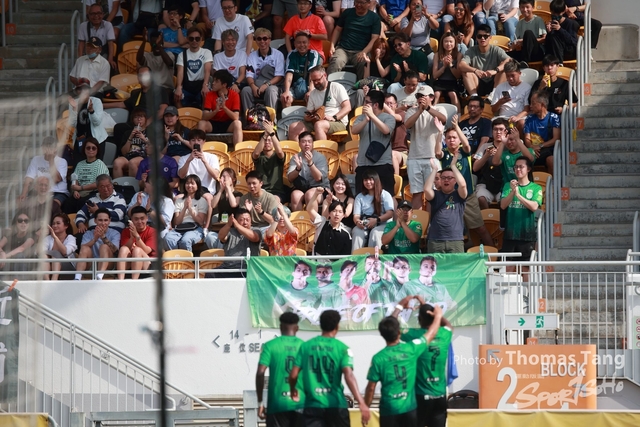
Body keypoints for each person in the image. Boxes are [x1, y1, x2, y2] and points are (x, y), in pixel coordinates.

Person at [365, 301, 444, 427]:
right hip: (409, 408)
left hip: (389, 410)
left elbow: (371, 388)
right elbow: (431, 333)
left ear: (382, 334)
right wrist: (438, 316)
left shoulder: (378, 358)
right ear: (399, 333)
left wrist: (365, 407)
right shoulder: (411, 349)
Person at [289, 309, 371, 427]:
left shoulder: (305, 346)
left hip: (313, 406)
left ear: (321, 325)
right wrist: (361, 402)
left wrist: (293, 389)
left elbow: (293, 375)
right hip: (336, 405)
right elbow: (349, 375)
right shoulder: (342, 348)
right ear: (337, 326)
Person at [398, 301, 453, 427]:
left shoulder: (415, 335)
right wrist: (436, 314)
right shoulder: (445, 334)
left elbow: (393, 327)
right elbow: (448, 325)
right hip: (439, 396)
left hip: (420, 395)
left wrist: (399, 307)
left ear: (419, 319)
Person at [256, 313, 304, 427]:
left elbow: (260, 373)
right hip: (301, 403)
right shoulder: (305, 346)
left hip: (277, 404)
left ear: (281, 327)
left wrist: (260, 402)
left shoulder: (270, 346)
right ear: (297, 328)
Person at [404, 85, 447, 209]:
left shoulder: (439, 108)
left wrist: (427, 108)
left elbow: (443, 119)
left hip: (432, 157)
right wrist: (420, 110)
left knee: (431, 193)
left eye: (423, 96)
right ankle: (417, 220)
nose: (420, 99)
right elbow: (407, 125)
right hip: (414, 157)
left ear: (432, 97)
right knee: (416, 193)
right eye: (418, 96)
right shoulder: (412, 111)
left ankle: (431, 220)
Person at [500, 157, 542, 270]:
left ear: (528, 169)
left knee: (526, 270)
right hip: (510, 234)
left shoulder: (535, 187)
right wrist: (513, 192)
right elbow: (503, 205)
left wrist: (518, 195)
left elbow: (534, 207)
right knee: (507, 269)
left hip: (527, 234)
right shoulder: (508, 186)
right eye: (516, 167)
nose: (518, 169)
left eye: (521, 167)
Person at [287, 66, 350, 141]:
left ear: (325, 75)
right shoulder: (313, 93)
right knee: (293, 127)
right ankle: (299, 149)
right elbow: (309, 112)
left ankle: (321, 148)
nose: (316, 83)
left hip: (337, 121)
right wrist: (307, 117)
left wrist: (334, 117)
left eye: (318, 80)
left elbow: (347, 107)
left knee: (319, 125)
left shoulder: (336, 87)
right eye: (313, 81)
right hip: (317, 121)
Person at [352, 90, 396, 195]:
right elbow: (354, 130)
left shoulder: (388, 118)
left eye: (367, 102)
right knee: (361, 195)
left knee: (387, 195)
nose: (364, 104)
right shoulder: (361, 118)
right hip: (363, 164)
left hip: (383, 164)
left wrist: (373, 117)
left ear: (375, 105)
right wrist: (366, 120)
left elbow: (386, 130)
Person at [327, 0, 381, 80]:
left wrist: (364, 52)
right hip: (343, 49)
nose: (358, 5)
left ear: (368, 3)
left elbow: (375, 38)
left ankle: (362, 86)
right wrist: (332, 45)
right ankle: (329, 85)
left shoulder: (374, 18)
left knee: (364, 63)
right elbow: (337, 29)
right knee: (336, 61)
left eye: (362, 3)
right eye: (356, 2)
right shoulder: (347, 13)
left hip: (361, 50)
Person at [424, 159, 467, 253]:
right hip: (435, 240)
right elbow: (427, 189)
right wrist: (434, 170)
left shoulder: (459, 195)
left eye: (449, 178)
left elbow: (463, 185)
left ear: (455, 180)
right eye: (443, 178)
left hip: (455, 240)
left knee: (457, 263)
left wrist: (453, 166)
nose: (446, 180)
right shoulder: (435, 195)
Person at [241, 27, 285, 116]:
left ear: (270, 40)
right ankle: (250, 119)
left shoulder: (278, 54)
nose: (262, 41)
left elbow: (279, 76)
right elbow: (249, 75)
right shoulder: (252, 56)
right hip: (257, 84)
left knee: (271, 90)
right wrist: (253, 86)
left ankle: (271, 119)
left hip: (274, 85)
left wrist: (266, 85)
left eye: (265, 38)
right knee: (245, 90)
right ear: (256, 41)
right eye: (259, 39)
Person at [458, 24, 510, 96]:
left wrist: (495, 71)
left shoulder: (496, 49)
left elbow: (509, 60)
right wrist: (475, 70)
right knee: (466, 72)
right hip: (477, 83)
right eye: (479, 36)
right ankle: (474, 97)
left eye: (485, 36)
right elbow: (461, 65)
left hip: (494, 82)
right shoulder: (471, 50)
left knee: (503, 70)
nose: (482, 38)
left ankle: (494, 95)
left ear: (490, 37)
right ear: (476, 38)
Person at [177, 129, 220, 217]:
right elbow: (181, 175)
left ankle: (207, 224)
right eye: (193, 140)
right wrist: (189, 161)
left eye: (199, 140)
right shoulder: (183, 158)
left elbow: (216, 176)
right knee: (176, 198)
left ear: (204, 142)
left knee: (208, 198)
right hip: (189, 190)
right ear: (189, 142)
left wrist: (204, 161)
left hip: (207, 190)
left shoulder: (212, 157)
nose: (196, 142)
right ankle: (177, 223)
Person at [19, 136, 68, 210]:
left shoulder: (62, 161)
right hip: (40, 191)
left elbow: (56, 179)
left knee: (52, 206)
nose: (48, 149)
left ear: (55, 148)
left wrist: (51, 159)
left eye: (51, 147)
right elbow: (29, 178)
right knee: (27, 204)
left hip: (57, 192)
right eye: (46, 146)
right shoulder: (36, 159)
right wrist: (23, 194)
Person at [197, 69, 243, 146]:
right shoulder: (209, 94)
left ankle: (238, 150)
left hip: (227, 123)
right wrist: (215, 111)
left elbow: (236, 117)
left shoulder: (234, 95)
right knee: (201, 123)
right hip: (213, 123)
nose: (213, 83)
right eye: (213, 80)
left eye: (216, 81)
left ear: (224, 84)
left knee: (238, 123)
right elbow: (204, 116)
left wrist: (224, 107)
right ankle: (199, 149)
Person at [352, 170, 395, 251]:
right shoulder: (359, 197)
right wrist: (358, 222)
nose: (368, 182)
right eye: (365, 180)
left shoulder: (385, 194)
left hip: (383, 223)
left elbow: (390, 213)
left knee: (375, 233)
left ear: (376, 180)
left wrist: (376, 220)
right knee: (357, 232)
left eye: (371, 179)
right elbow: (356, 215)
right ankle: (355, 257)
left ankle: (374, 257)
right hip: (366, 223)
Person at [164, 174, 209, 252]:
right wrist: (185, 207)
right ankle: (176, 257)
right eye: (187, 183)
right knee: (168, 238)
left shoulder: (202, 200)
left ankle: (187, 259)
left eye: (192, 183)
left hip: (195, 228)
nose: (189, 185)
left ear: (198, 186)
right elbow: (177, 222)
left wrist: (190, 209)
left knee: (185, 240)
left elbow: (201, 222)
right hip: (180, 227)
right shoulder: (179, 200)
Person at [64, 138, 110, 214]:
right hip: (79, 192)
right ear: (84, 150)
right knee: (67, 203)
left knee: (82, 203)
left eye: (93, 148)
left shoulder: (100, 164)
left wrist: (81, 188)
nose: (90, 150)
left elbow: (99, 184)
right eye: (88, 148)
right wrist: (75, 191)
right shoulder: (80, 164)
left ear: (97, 150)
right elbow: (75, 179)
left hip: (93, 192)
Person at [287, 132, 330, 211]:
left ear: (313, 143)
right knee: (295, 195)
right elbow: (290, 178)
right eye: (303, 141)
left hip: (319, 188)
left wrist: (310, 163)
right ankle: (299, 218)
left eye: (309, 141)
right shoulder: (295, 157)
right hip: (301, 187)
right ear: (299, 144)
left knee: (310, 194)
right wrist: (298, 168)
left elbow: (318, 178)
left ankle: (313, 219)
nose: (307, 144)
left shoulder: (320, 157)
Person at [67, 82, 108, 164]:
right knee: (78, 166)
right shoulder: (74, 103)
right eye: (80, 90)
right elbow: (72, 123)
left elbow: (97, 122)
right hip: (80, 139)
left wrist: (91, 111)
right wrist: (74, 109)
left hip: (96, 139)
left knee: (96, 165)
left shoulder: (96, 101)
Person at [75, 208, 120, 280]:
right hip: (91, 264)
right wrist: (95, 239)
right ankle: (77, 278)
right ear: (95, 221)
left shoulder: (115, 233)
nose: (103, 223)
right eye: (100, 220)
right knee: (85, 248)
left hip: (108, 266)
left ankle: (99, 276)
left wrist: (103, 237)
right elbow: (82, 249)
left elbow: (116, 251)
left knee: (104, 247)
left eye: (106, 220)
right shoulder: (88, 233)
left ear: (109, 221)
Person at [214, 208, 262, 277]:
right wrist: (228, 224)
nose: (245, 222)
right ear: (236, 221)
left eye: (247, 220)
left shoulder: (256, 230)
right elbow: (221, 237)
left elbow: (254, 237)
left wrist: (237, 225)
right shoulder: (230, 232)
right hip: (228, 268)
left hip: (249, 269)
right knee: (210, 274)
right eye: (242, 220)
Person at [281, 32, 323, 108]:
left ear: (309, 43)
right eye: (299, 42)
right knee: (285, 98)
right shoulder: (291, 54)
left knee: (311, 97)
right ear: (295, 44)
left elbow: (313, 74)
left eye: (304, 42)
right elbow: (289, 74)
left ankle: (309, 115)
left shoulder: (314, 54)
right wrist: (286, 91)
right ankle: (288, 115)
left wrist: (310, 90)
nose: (302, 45)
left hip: (309, 85)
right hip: (295, 86)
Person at [175, 26, 213, 108]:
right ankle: (182, 115)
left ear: (201, 39)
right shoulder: (182, 55)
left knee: (207, 93)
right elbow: (180, 72)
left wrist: (205, 85)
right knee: (176, 95)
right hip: (187, 85)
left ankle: (204, 114)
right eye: (191, 38)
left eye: (197, 38)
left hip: (201, 84)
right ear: (187, 39)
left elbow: (207, 70)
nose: (194, 41)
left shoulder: (207, 52)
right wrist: (179, 87)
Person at [490, 60, 531, 134]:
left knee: (522, 123)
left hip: (519, 118)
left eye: (512, 75)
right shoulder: (500, 87)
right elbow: (493, 110)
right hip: (503, 118)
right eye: (508, 76)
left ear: (519, 73)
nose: (510, 78)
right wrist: (500, 102)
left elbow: (527, 109)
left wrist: (517, 117)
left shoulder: (527, 87)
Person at [524, 91, 560, 175]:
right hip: (533, 151)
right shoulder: (529, 119)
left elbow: (556, 138)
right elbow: (527, 139)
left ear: (542, 104)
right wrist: (532, 147)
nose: (530, 106)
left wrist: (540, 146)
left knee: (551, 160)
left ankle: (553, 183)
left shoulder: (553, 118)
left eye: (533, 103)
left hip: (548, 150)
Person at [205, 168, 242, 249]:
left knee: (223, 240)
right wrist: (221, 189)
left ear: (233, 179)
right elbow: (213, 205)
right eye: (223, 176)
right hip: (220, 225)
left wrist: (228, 188)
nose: (225, 179)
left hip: (233, 227)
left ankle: (220, 255)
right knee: (209, 237)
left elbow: (234, 204)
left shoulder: (238, 194)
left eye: (227, 176)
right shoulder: (219, 193)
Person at [116, 206, 157, 280]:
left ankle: (134, 281)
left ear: (147, 218)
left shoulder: (152, 231)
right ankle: (120, 280)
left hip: (148, 265)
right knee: (123, 249)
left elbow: (147, 251)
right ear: (131, 220)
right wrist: (132, 238)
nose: (139, 222)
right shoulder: (126, 231)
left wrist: (137, 236)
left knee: (137, 250)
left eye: (142, 218)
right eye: (136, 219)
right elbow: (124, 250)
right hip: (131, 263)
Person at [137, 29, 176, 100]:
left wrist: (159, 46)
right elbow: (139, 59)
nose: (156, 46)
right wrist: (144, 41)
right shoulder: (147, 55)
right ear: (150, 44)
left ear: (162, 43)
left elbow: (169, 63)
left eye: (159, 44)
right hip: (151, 88)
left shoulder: (169, 54)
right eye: (154, 44)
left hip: (166, 88)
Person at [492, 119, 535, 183]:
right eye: (507, 140)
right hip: (508, 187)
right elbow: (495, 162)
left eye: (512, 139)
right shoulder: (504, 154)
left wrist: (518, 139)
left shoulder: (529, 151)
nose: (509, 142)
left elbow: (530, 159)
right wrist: (502, 142)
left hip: (526, 187)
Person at [252, 121, 286, 201]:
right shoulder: (259, 157)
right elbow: (256, 153)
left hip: (277, 192)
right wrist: (265, 135)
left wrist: (272, 133)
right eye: (265, 140)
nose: (267, 142)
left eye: (270, 140)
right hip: (261, 191)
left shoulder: (278, 155)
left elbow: (279, 152)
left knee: (274, 200)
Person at [113, 107, 149, 178]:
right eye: (136, 117)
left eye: (141, 117)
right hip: (129, 156)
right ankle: (119, 184)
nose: (139, 119)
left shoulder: (150, 132)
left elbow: (155, 149)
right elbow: (124, 152)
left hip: (143, 157)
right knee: (117, 162)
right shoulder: (128, 133)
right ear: (133, 120)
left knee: (132, 163)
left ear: (145, 119)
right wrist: (130, 137)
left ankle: (134, 184)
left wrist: (144, 139)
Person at [78, 4, 117, 70]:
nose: (96, 16)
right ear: (88, 15)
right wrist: (80, 59)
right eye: (93, 14)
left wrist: (110, 59)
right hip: (88, 55)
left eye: (99, 13)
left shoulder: (108, 25)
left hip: (103, 54)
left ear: (103, 14)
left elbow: (110, 43)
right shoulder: (83, 26)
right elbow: (81, 44)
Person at [432, 32, 462, 113]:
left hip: (452, 81)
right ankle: (432, 114)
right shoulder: (437, 55)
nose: (448, 44)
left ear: (455, 43)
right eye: (446, 41)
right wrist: (444, 66)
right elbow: (435, 75)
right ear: (442, 43)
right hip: (440, 81)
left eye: (451, 41)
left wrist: (451, 65)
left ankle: (458, 115)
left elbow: (458, 75)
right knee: (436, 94)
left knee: (453, 94)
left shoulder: (458, 55)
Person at [43, 213, 77, 281]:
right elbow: (40, 252)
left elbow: (65, 252)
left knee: (55, 255)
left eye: (58, 223)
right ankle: (47, 281)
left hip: (68, 269)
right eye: (53, 223)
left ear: (66, 226)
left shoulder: (71, 238)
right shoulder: (48, 238)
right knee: (43, 256)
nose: (55, 226)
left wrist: (55, 237)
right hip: (50, 268)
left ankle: (54, 280)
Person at [545, 0, 579, 64]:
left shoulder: (571, 23)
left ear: (563, 11)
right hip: (554, 51)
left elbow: (573, 41)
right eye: (553, 13)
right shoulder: (551, 23)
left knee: (555, 36)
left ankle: (559, 63)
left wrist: (560, 29)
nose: (555, 15)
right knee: (552, 37)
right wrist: (549, 32)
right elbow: (548, 43)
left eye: (558, 13)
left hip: (568, 51)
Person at [383, 93, 410, 176]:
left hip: (401, 152)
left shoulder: (402, 113)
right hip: (383, 153)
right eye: (386, 103)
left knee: (392, 154)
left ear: (396, 105)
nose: (388, 106)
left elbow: (394, 116)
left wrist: (383, 104)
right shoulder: (381, 117)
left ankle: (395, 180)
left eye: (390, 103)